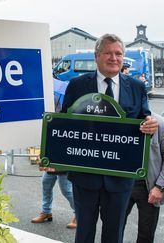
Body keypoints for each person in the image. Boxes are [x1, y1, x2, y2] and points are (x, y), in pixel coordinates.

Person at [61, 33, 158, 243]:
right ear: (96, 56)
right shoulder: (77, 85)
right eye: (108, 53)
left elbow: (143, 117)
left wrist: (150, 125)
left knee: (114, 234)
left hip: (120, 178)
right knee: (84, 233)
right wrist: (54, 156)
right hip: (85, 175)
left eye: (118, 53)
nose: (114, 58)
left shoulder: (136, 87)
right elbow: (63, 124)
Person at [123, 112, 164, 243]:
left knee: (145, 235)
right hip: (122, 183)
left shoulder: (159, 123)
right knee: (113, 228)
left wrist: (160, 187)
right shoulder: (117, 118)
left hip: (148, 185)